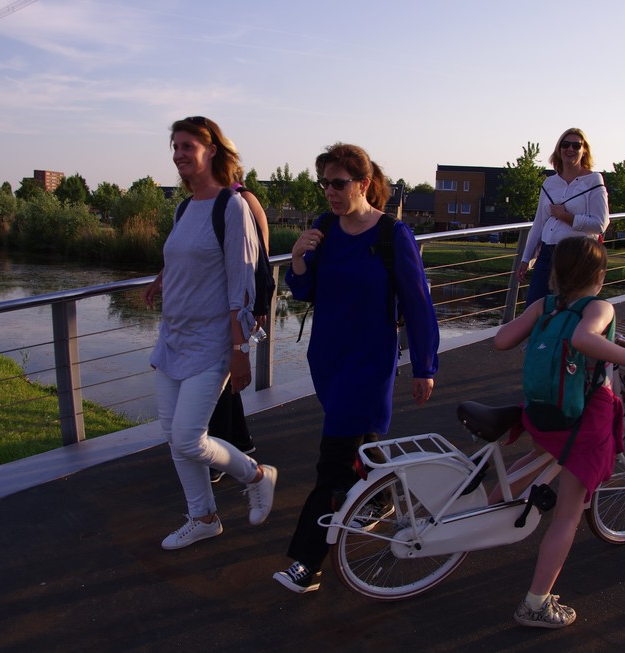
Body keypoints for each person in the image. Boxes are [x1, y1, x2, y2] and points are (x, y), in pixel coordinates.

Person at [272, 143, 440, 593]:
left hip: (368, 361)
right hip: (328, 357)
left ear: (363, 184)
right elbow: (305, 291)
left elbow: (418, 305)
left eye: (338, 183)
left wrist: (424, 365)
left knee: (332, 464)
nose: (329, 191)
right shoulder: (325, 227)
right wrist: (298, 258)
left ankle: (308, 562)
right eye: (324, 183)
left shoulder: (392, 234)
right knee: (357, 443)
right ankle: (382, 496)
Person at [494, 237, 625, 629]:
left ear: (556, 272)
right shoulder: (600, 307)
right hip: (583, 418)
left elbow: (501, 340)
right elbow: (584, 338)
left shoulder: (544, 306)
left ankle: (486, 510)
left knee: (538, 456)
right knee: (568, 514)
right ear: (599, 275)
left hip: (542, 412)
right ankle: (535, 603)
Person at [142, 116, 276, 550]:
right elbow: (185, 255)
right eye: (175, 147)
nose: (179, 154)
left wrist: (240, 351)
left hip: (212, 342)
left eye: (188, 146)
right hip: (173, 337)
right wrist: (161, 278)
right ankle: (203, 517)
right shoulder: (184, 208)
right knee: (174, 436)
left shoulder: (231, 206)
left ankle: (257, 475)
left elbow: (241, 285)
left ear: (211, 150)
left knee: (188, 437)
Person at [208, 174, 270, 483]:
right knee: (224, 379)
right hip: (220, 304)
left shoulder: (241, 200)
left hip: (235, 306)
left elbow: (258, 258)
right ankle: (239, 442)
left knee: (219, 378)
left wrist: (257, 307)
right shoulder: (216, 200)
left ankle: (222, 455)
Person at [518, 128, 610, 307]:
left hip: (576, 256)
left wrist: (566, 216)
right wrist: (526, 259)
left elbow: (600, 224)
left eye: (576, 146)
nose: (570, 149)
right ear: (559, 149)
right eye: (565, 145)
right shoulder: (550, 183)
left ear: (584, 150)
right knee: (535, 306)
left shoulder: (593, 181)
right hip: (547, 253)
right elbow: (539, 223)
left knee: (568, 309)